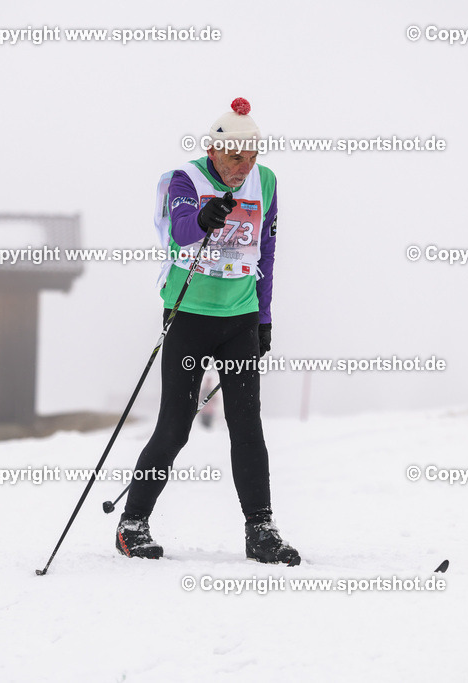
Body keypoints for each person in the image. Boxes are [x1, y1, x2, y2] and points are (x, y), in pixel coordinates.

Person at [115, 98, 300, 565]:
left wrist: (263, 318)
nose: (243, 166)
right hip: (189, 316)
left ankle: (261, 530)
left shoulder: (266, 182)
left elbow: (267, 251)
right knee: (175, 427)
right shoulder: (186, 180)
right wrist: (202, 218)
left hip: (239, 319)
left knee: (247, 426)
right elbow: (181, 229)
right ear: (213, 149)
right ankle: (132, 523)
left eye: (251, 156)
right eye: (234, 156)